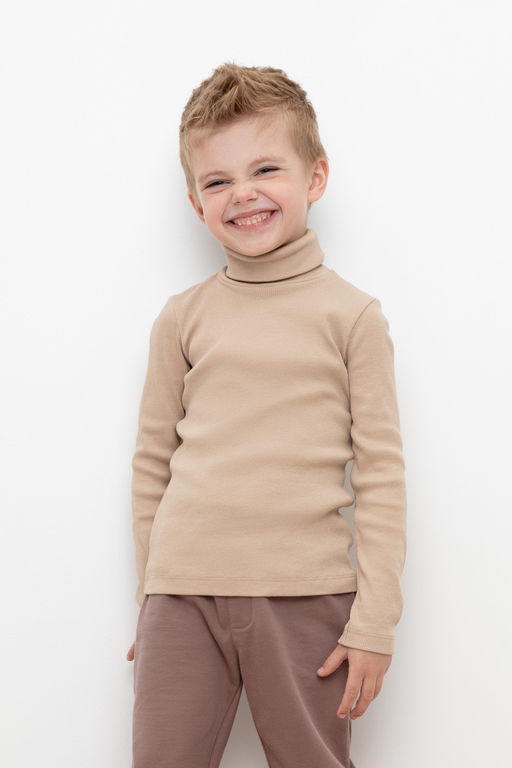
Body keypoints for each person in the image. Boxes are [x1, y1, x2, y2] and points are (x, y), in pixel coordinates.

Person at [126, 62, 407, 768]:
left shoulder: (353, 317)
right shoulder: (181, 318)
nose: (243, 193)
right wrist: (152, 595)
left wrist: (374, 621)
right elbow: (152, 465)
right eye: (217, 181)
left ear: (315, 177)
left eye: (266, 169)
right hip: (182, 599)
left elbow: (381, 477)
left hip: (307, 596)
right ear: (195, 203)